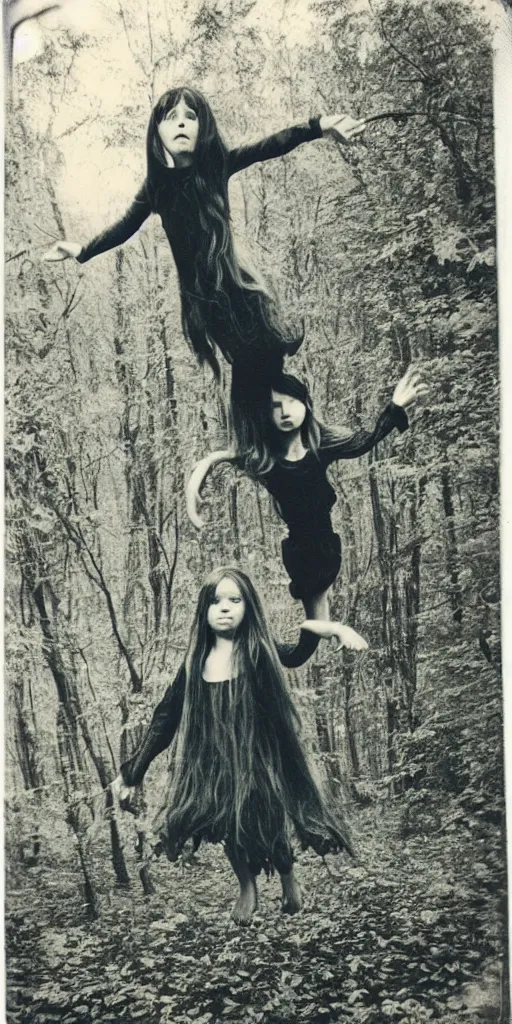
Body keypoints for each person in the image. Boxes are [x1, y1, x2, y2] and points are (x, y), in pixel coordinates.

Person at [43, 86, 365, 445]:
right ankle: (254, 444)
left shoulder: (216, 167)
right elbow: (124, 227)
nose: (181, 124)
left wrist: (318, 126)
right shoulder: (157, 188)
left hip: (237, 288)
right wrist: (83, 250)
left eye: (190, 116)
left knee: (270, 355)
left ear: (203, 128)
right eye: (171, 117)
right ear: (158, 134)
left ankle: (310, 436)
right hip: (204, 303)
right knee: (247, 367)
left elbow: (269, 146)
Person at [112, 567, 354, 924]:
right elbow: (165, 717)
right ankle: (247, 886)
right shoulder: (196, 663)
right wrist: (133, 771)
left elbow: (297, 654)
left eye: (234, 600)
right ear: (203, 610)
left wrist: (325, 624)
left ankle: (288, 877)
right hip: (216, 761)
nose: (224, 608)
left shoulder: (257, 649)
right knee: (228, 823)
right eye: (215, 600)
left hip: (261, 756)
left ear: (248, 607)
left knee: (267, 819)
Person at [186, 367, 427, 633]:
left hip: (327, 549)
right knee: (314, 627)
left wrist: (395, 406)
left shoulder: (320, 447)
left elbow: (364, 441)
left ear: (306, 404)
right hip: (299, 554)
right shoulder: (268, 460)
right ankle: (308, 634)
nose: (285, 412)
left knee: (316, 622)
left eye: (292, 402)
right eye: (276, 406)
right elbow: (227, 455)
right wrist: (199, 479)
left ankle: (319, 633)